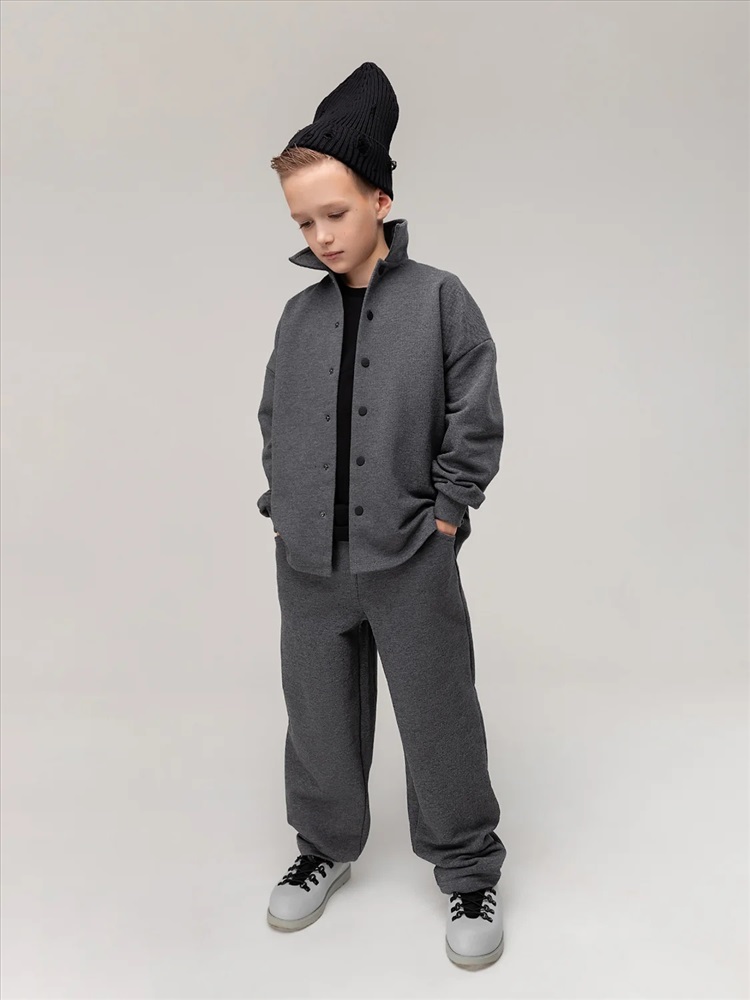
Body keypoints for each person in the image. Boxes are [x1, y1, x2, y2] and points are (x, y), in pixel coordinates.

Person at [258, 61, 507, 969]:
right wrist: (281, 505)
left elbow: (474, 412)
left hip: (409, 556)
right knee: (317, 715)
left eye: (334, 213)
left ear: (380, 201)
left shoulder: (440, 299)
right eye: (304, 222)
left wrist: (448, 512)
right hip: (308, 562)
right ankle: (323, 846)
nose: (321, 235)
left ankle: (469, 869)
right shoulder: (298, 317)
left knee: (439, 716)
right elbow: (275, 417)